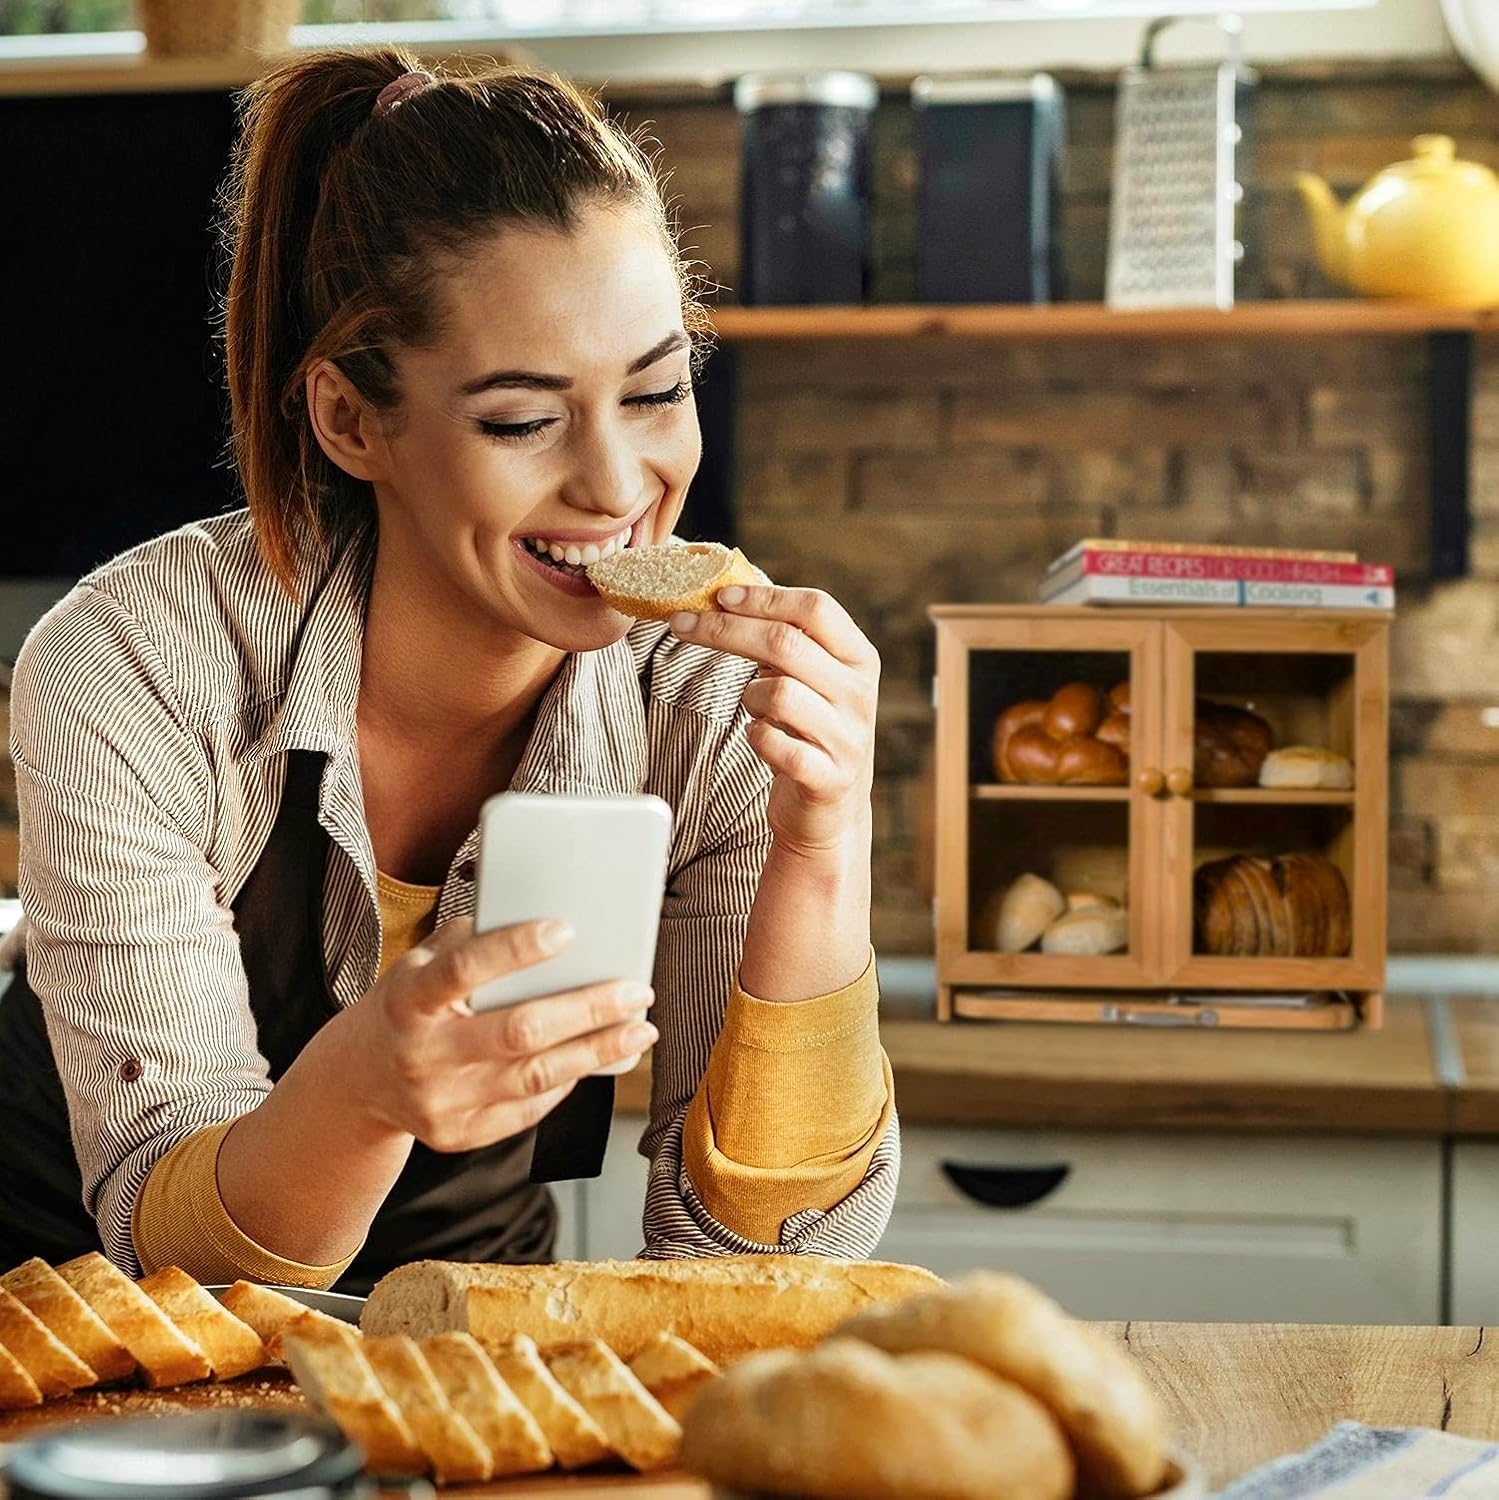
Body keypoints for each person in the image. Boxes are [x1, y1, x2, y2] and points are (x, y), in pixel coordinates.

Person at [0, 48, 896, 1293]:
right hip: (77, 1355)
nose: (617, 486)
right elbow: (178, 1265)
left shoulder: (708, 704)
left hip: (468, 1333)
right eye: (522, 420)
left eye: (654, 392)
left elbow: (761, 1272)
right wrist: (365, 1090)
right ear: (350, 421)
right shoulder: (137, 663)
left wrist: (821, 840)